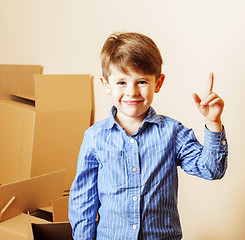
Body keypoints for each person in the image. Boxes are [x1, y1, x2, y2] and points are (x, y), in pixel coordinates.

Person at [69, 32, 228, 240]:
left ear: (158, 83)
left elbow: (212, 169)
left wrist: (213, 121)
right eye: (121, 83)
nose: (132, 92)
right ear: (106, 84)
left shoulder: (173, 133)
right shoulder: (94, 138)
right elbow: (83, 202)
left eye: (141, 81)